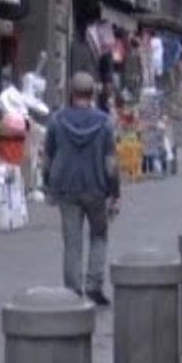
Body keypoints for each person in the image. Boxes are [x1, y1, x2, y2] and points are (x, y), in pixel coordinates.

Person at [43, 72, 121, 305]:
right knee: (99, 236)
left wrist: (48, 184)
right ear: (93, 93)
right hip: (96, 187)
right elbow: (110, 163)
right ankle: (94, 283)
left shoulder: (57, 120)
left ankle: (72, 289)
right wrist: (115, 193)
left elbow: (48, 157)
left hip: (66, 188)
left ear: (71, 92)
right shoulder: (105, 122)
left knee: (72, 241)